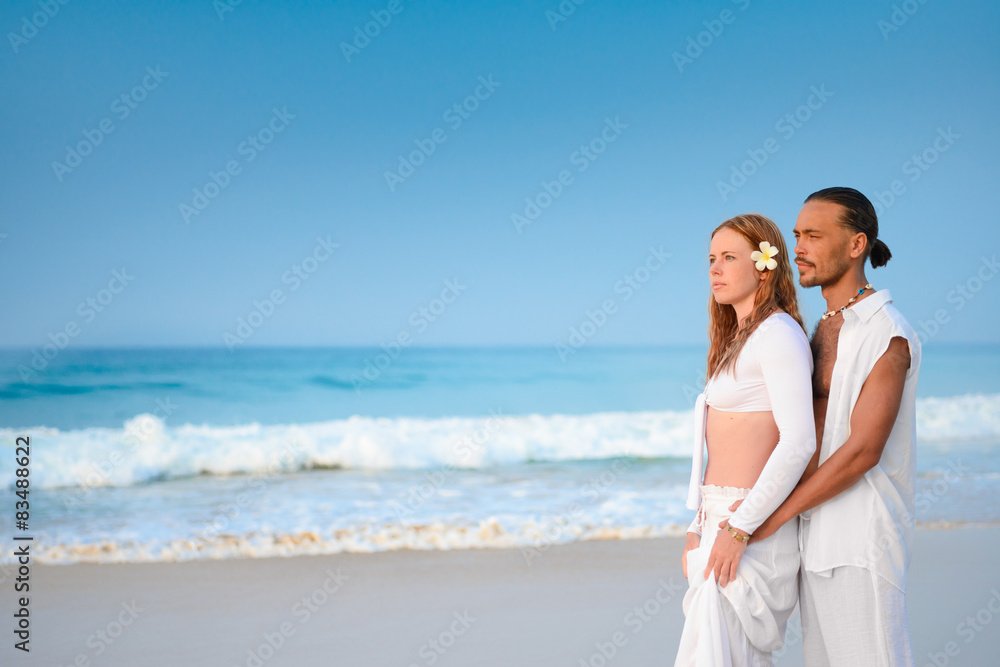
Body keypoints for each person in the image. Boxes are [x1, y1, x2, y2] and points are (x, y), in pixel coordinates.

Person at [748, 187, 921, 665]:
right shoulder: (820, 326)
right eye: (798, 234)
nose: (798, 246)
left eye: (814, 235)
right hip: (814, 537)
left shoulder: (887, 332)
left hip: (860, 540)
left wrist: (774, 515)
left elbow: (864, 451)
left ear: (856, 245)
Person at [675, 213, 816, 666]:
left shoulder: (778, 335)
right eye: (711, 259)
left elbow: (798, 442)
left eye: (729, 257)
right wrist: (697, 526)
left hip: (749, 523)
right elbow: (717, 449)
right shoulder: (738, 338)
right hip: (719, 519)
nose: (714, 268)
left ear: (763, 265)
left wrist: (740, 528)